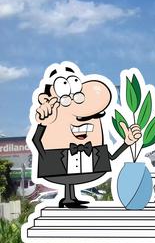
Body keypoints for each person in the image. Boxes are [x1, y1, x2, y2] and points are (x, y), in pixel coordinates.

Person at [31, 63, 141, 208]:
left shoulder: (95, 149)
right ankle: (68, 198)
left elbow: (112, 157)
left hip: (85, 161)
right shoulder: (51, 122)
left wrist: (127, 142)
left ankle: (71, 198)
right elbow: (35, 139)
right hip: (58, 160)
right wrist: (43, 126)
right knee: (66, 176)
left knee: (71, 176)